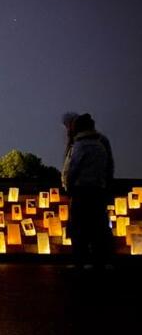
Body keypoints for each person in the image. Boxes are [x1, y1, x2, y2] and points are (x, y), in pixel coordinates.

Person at [63, 113, 114, 269]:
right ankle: (100, 261)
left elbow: (73, 168)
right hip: (99, 190)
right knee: (99, 227)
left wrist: (69, 185)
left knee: (79, 227)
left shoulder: (81, 145)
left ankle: (80, 261)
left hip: (81, 191)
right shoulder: (100, 144)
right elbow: (108, 168)